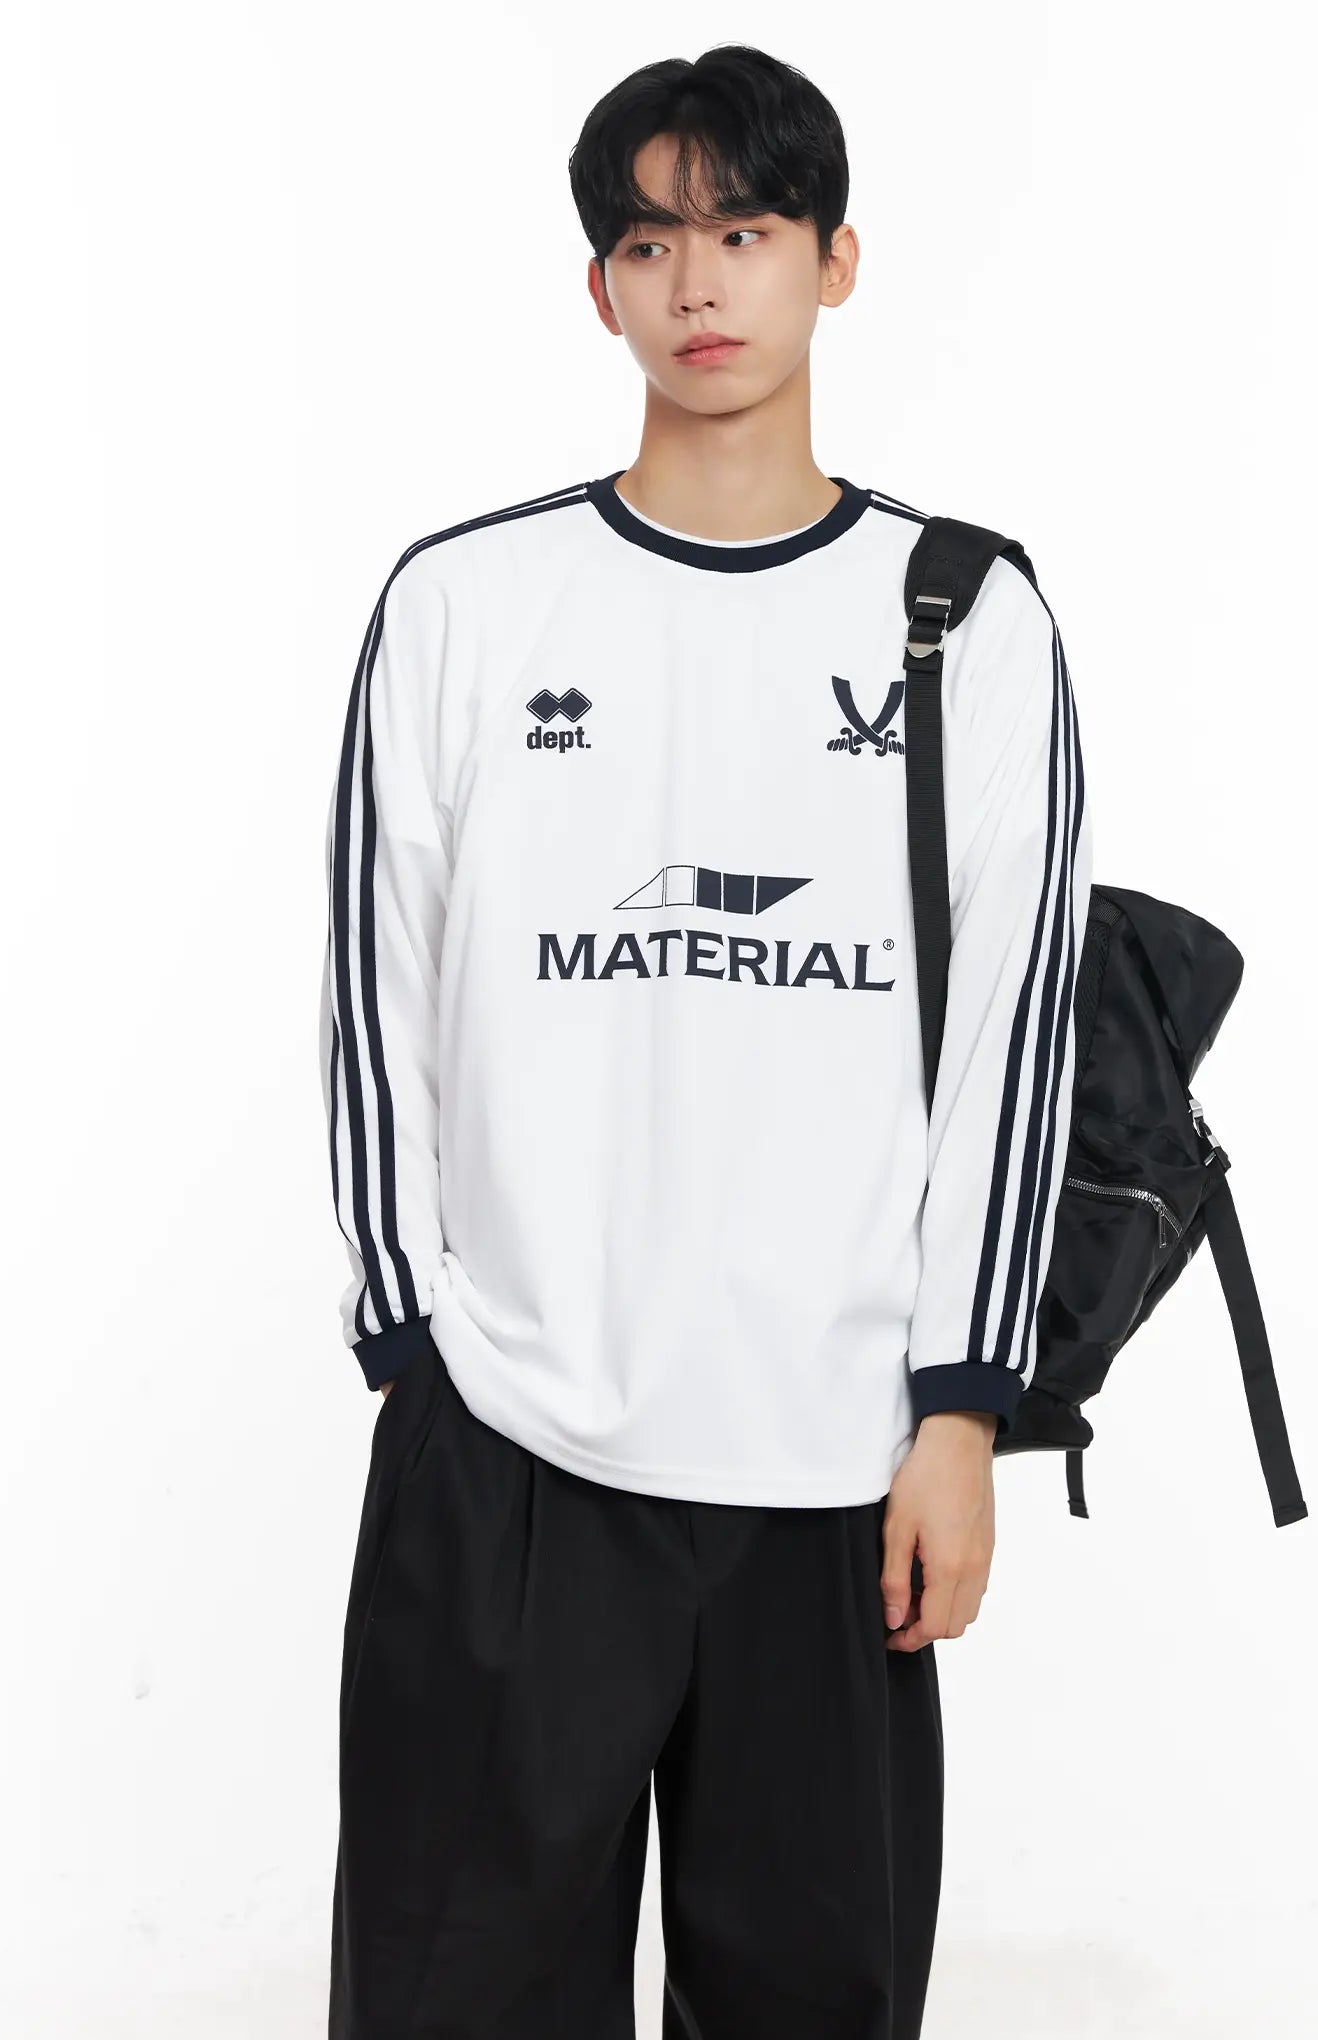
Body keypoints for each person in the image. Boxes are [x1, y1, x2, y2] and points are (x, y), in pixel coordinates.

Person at [319, 41, 1092, 2040]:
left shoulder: (965, 619)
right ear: (602, 289)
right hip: (513, 1453)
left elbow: (1013, 1037)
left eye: (744, 231)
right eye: (651, 243)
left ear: (836, 260)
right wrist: (419, 1349)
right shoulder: (467, 604)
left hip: (837, 1468)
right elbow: (373, 990)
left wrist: (961, 1409)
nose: (699, 285)